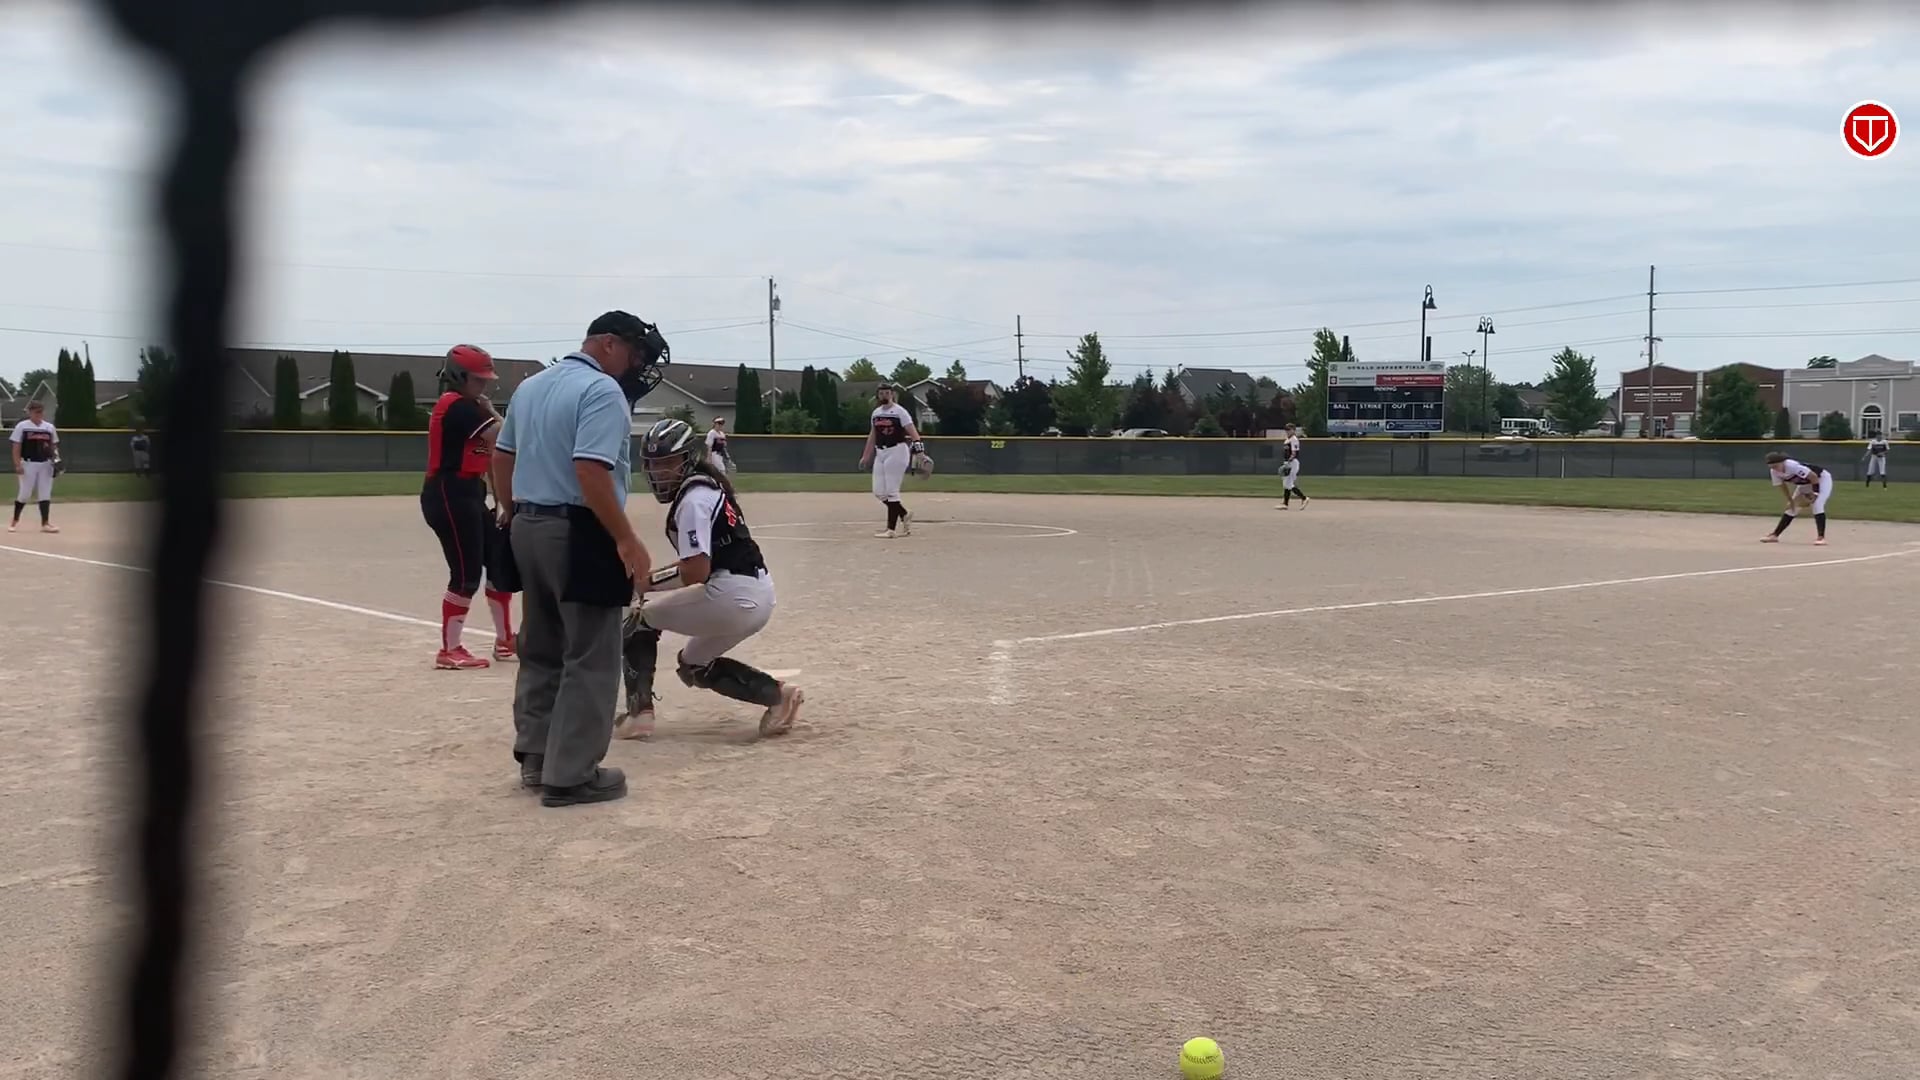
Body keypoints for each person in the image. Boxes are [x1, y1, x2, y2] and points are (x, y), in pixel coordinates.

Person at [490, 311, 668, 807]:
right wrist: (626, 538)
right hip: (579, 531)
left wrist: (511, 509)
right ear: (607, 344)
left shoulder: (532, 386)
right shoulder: (602, 391)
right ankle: (571, 775)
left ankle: (536, 757)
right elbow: (590, 470)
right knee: (591, 654)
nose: (637, 365)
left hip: (528, 524)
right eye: (635, 353)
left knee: (542, 646)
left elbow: (501, 457)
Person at [617, 418, 804, 740]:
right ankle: (779, 696)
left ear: (688, 458)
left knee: (638, 622)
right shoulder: (707, 488)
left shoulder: (694, 499)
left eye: (668, 463)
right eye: (654, 464)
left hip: (731, 595)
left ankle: (639, 715)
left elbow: (695, 571)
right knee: (694, 664)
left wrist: (644, 583)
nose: (659, 472)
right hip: (756, 593)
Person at [420, 345, 517, 670]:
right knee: (466, 574)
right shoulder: (458, 406)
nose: (484, 385)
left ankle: (505, 640)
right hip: (449, 492)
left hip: (470, 492)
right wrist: (493, 412)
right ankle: (449, 650)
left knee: (499, 564)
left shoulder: (471, 408)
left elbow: (492, 459)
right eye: (478, 379)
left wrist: (503, 503)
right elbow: (505, 437)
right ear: (458, 377)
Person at [859, 382, 923, 538]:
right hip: (880, 452)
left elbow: (913, 432)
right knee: (879, 492)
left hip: (897, 451)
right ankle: (904, 513)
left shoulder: (900, 412)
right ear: (877, 395)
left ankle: (891, 530)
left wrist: (920, 451)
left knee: (892, 491)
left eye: (887, 393)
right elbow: (873, 435)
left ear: (892, 394)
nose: (884, 395)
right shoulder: (876, 413)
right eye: (881, 393)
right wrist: (866, 455)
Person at [1763, 451, 1832, 546]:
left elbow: (1813, 476)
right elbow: (1782, 486)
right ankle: (1774, 535)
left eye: (1776, 466)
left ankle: (1821, 538)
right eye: (1771, 467)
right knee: (1792, 508)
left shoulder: (1792, 466)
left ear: (1782, 462)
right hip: (1804, 484)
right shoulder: (1774, 472)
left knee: (1817, 505)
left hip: (1821, 479)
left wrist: (1815, 494)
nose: (1774, 469)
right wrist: (1791, 500)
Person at [11, 399, 59, 534]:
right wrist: (17, 464)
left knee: (45, 493)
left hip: (46, 464)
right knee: (25, 494)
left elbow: (54, 446)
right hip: (28, 463)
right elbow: (16, 447)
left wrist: (56, 461)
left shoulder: (49, 427)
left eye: (41, 411)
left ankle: (45, 523)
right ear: (30, 412)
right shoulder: (22, 426)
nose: (39, 414)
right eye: (36, 411)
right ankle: (14, 521)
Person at [1277, 423, 1310, 510]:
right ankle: (1285, 504)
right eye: (1286, 429)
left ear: (1293, 430)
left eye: (1289, 429)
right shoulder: (1288, 439)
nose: (1287, 431)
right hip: (1288, 462)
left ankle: (1304, 498)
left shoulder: (1294, 439)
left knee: (1288, 483)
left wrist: (1288, 462)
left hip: (1292, 463)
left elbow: (1294, 453)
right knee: (1287, 483)